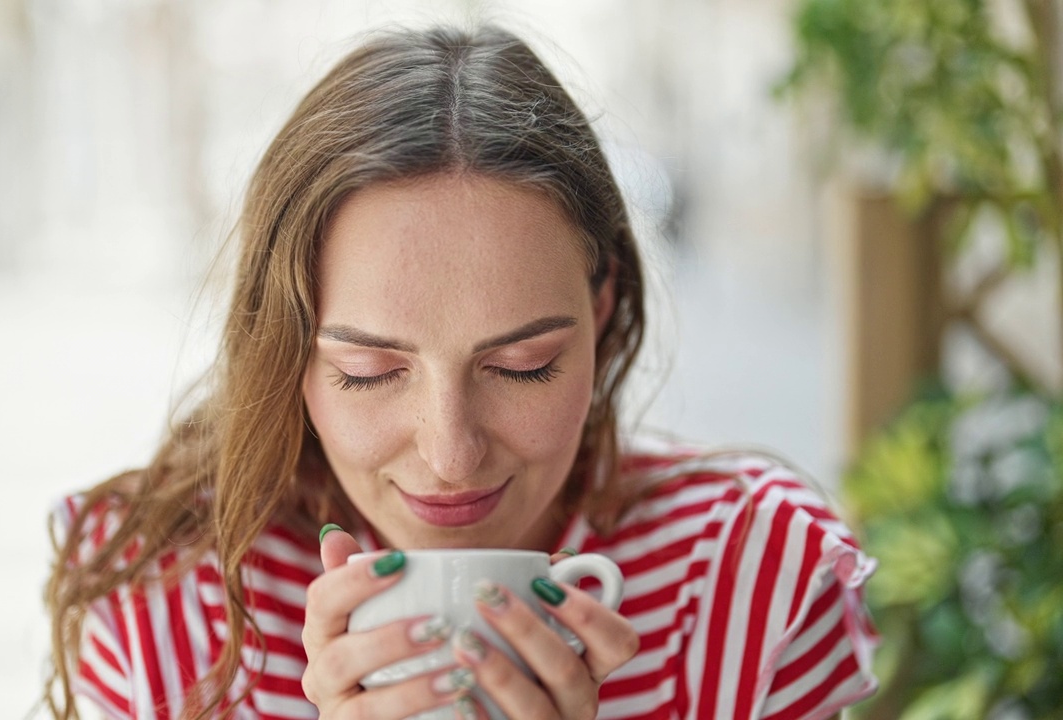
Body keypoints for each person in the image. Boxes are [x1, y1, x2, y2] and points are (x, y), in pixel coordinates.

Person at [44, 24, 878, 720]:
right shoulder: (163, 597)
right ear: (288, 351)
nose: (450, 456)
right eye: (368, 371)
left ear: (602, 311)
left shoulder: (754, 577)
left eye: (524, 366)